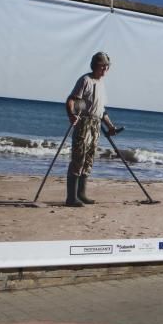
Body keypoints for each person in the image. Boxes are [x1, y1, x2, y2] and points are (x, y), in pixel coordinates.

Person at [64, 51, 118, 207]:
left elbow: (101, 110)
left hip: (96, 125)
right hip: (84, 123)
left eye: (107, 67)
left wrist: (110, 126)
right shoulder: (85, 80)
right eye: (103, 66)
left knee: (89, 159)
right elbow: (71, 100)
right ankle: (71, 198)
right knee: (78, 158)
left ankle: (82, 194)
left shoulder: (101, 84)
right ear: (95, 65)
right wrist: (71, 115)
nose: (105, 69)